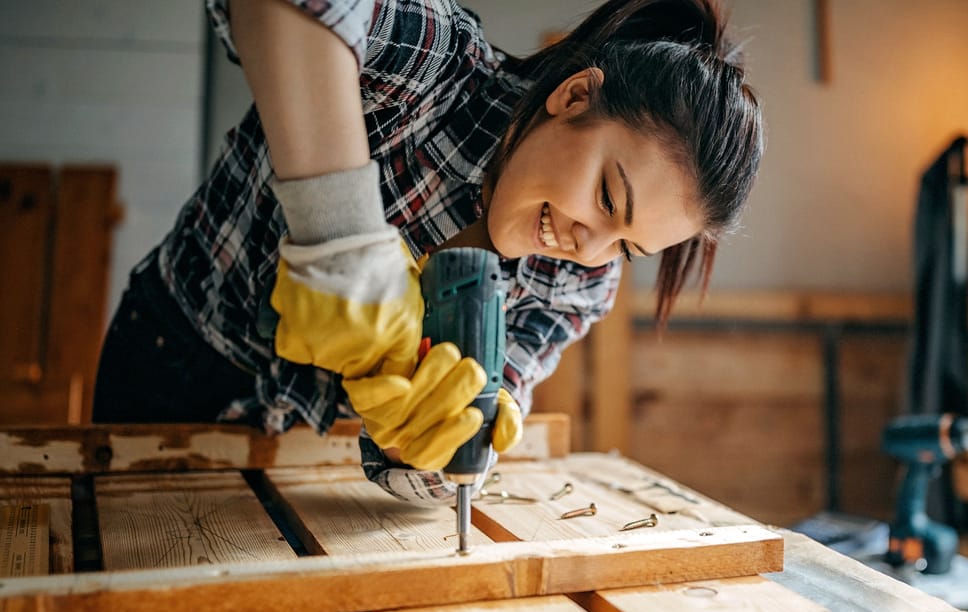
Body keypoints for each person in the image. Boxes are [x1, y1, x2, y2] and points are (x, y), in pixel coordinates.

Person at [92, 0, 764, 504]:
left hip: (310, 453)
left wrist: (429, 449)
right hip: (173, 359)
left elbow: (463, 435)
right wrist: (339, 235)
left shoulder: (581, 288)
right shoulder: (437, 70)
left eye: (629, 248)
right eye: (609, 199)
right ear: (573, 97)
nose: (591, 249)